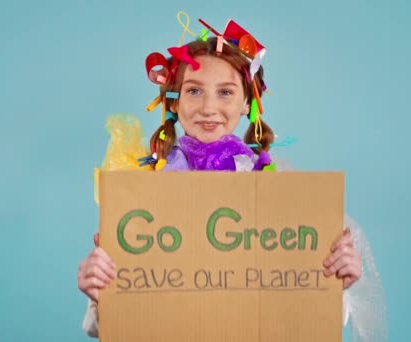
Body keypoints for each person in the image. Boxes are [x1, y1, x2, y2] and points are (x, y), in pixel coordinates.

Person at [78, 16, 386, 341]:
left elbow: (307, 313)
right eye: (194, 90)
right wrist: (99, 292)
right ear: (174, 100)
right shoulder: (141, 188)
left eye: (225, 92)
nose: (209, 107)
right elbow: (100, 327)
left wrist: (336, 281)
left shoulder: (280, 187)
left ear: (246, 103)